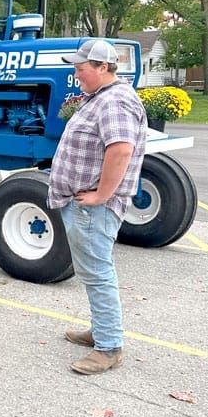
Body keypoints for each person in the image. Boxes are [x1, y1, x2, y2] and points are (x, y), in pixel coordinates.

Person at [48, 39, 147, 375]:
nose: (76, 75)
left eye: (81, 68)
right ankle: (101, 331)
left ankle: (108, 348)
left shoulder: (115, 101)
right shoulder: (101, 98)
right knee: (92, 273)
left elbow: (120, 150)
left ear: (103, 67)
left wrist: (101, 195)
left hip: (93, 209)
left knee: (98, 273)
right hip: (86, 206)